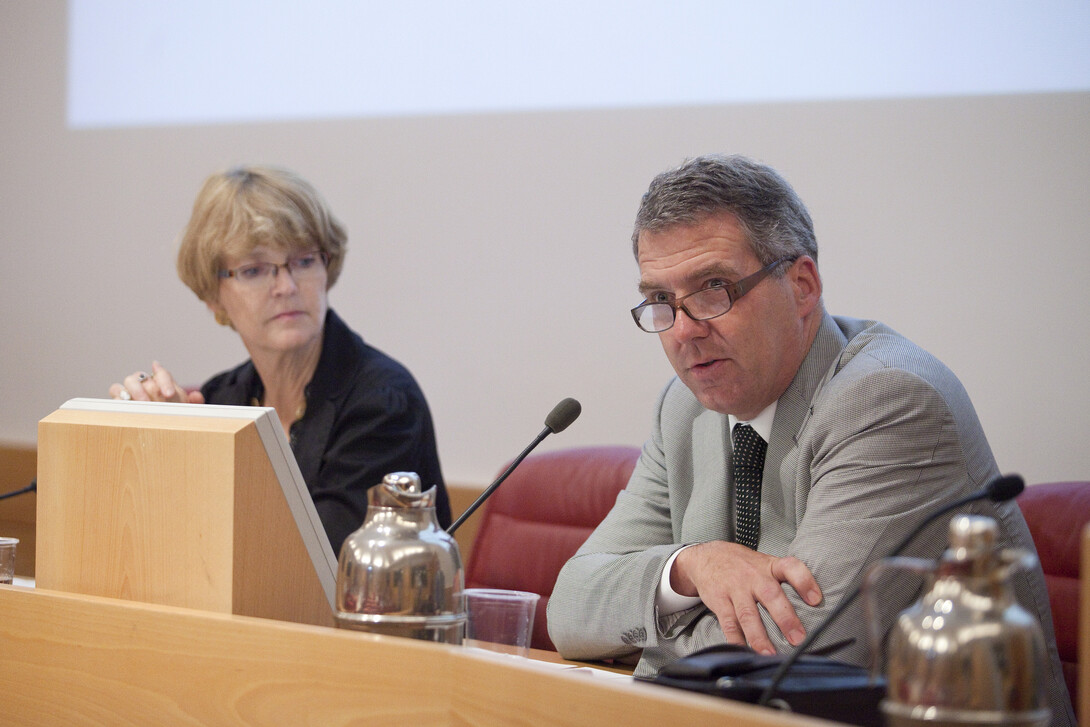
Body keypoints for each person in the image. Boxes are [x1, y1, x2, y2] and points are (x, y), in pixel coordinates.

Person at [547, 154, 1074, 724]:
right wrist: (690, 566)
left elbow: (792, 651)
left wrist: (633, 629)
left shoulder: (889, 401)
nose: (684, 330)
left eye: (712, 289)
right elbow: (571, 608)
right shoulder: (685, 408)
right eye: (660, 302)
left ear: (801, 286)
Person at [109, 165, 451, 554]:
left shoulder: (383, 402)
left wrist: (190, 470)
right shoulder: (223, 399)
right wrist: (161, 448)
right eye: (254, 270)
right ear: (213, 296)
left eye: (304, 261)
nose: (287, 287)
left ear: (327, 267)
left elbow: (316, 567)